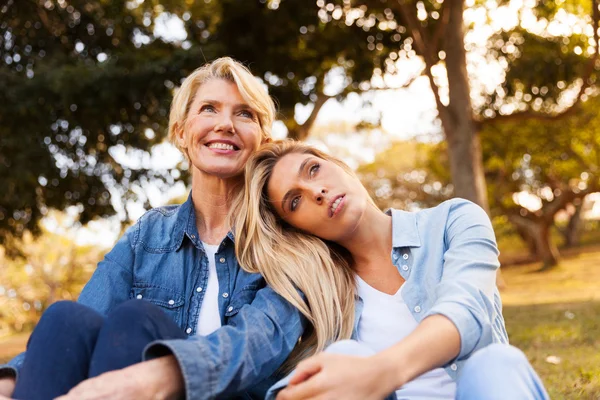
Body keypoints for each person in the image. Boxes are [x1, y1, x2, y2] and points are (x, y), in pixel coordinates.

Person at [0, 58, 306, 400]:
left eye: (244, 113)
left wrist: (162, 374)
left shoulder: (287, 239)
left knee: (136, 320)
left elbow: (261, 339)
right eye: (209, 108)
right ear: (181, 132)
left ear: (262, 140)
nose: (225, 124)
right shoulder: (148, 235)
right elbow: (82, 328)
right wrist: (9, 382)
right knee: (65, 318)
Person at [233, 140, 550, 400]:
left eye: (313, 170)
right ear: (297, 229)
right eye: (295, 202)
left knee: (496, 363)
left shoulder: (454, 221)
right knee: (345, 353)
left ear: (339, 165)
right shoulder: (322, 298)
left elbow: (466, 310)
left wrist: (382, 372)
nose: (316, 192)